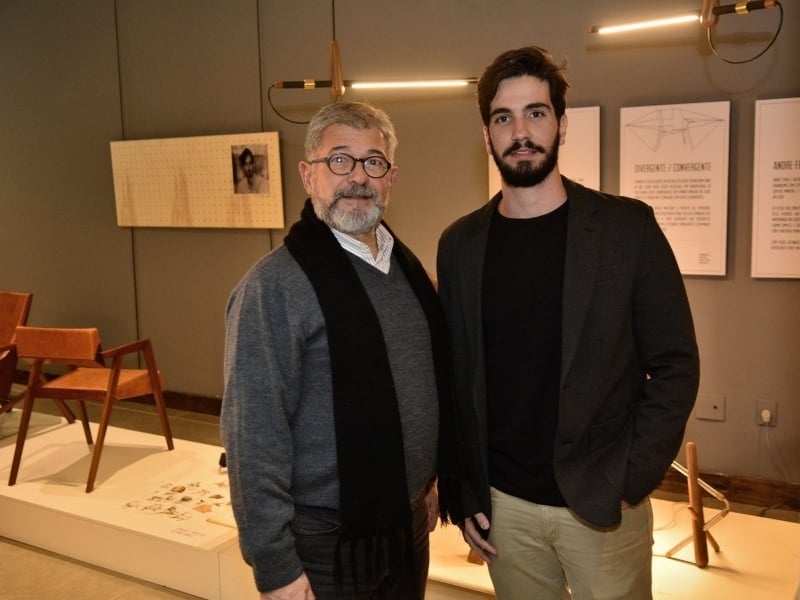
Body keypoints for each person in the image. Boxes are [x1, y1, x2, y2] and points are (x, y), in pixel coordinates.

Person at [436, 46, 700, 599]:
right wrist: (464, 494)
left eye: (536, 112)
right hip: (504, 509)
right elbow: (456, 380)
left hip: (602, 504)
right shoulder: (459, 245)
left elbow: (675, 365)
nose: (521, 131)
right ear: (487, 134)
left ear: (560, 123)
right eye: (503, 117)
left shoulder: (626, 230)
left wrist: (633, 477)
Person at [221, 101, 448, 600]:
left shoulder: (408, 273)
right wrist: (276, 566)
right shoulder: (273, 288)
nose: (357, 177)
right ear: (309, 176)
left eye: (374, 162)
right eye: (339, 160)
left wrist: (429, 484)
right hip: (324, 543)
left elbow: (424, 387)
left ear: (390, 178)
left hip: (405, 525)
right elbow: (253, 436)